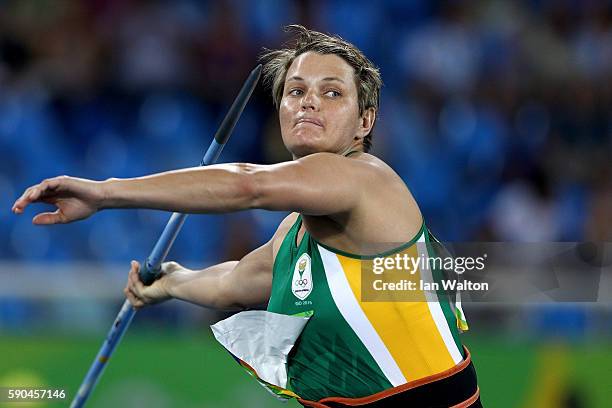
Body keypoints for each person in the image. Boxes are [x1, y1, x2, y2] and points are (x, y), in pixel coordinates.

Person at [12, 26, 481, 407]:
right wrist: (173, 283)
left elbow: (248, 185)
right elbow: (234, 282)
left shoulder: (366, 180)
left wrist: (104, 192)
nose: (308, 101)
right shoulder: (294, 234)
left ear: (365, 122)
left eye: (332, 92)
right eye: (295, 91)